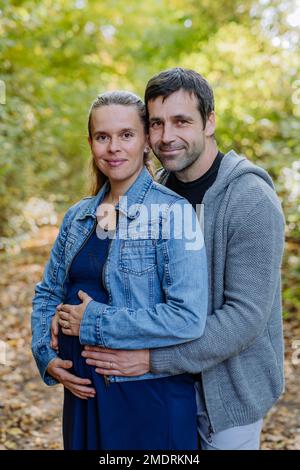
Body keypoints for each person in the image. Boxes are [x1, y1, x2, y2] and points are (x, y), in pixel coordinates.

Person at [81, 68, 285, 450]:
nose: (166, 137)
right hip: (160, 390)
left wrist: (151, 359)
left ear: (209, 122)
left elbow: (245, 318)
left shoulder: (250, 201)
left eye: (181, 121)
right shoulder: (152, 193)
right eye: (156, 124)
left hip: (228, 390)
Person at [31, 90, 208, 450]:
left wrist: (93, 322)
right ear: (91, 143)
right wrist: (45, 356)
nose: (114, 147)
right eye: (102, 136)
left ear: (145, 141)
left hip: (146, 397)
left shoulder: (175, 214)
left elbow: (187, 317)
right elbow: (48, 291)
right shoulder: (77, 216)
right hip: (83, 395)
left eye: (126, 135)